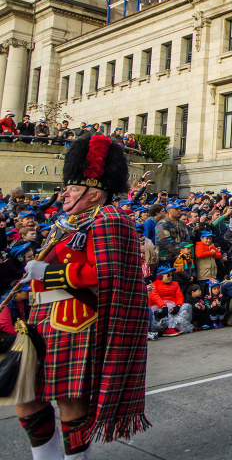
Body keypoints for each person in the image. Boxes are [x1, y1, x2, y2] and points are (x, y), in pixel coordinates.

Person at [16, 134, 149, 458]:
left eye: (73, 188)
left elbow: (105, 273)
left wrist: (47, 273)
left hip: (76, 323)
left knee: (70, 406)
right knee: (26, 401)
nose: (66, 193)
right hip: (44, 322)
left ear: (95, 192)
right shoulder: (71, 222)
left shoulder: (110, 218)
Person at [148, 265, 193, 336]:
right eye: (168, 275)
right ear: (160, 276)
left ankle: (178, 326)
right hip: (159, 306)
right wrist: (163, 306)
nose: (170, 277)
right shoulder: (154, 285)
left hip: (173, 304)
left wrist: (178, 305)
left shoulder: (175, 284)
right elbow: (155, 297)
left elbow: (179, 296)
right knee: (167, 309)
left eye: (171, 275)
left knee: (187, 307)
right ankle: (168, 328)